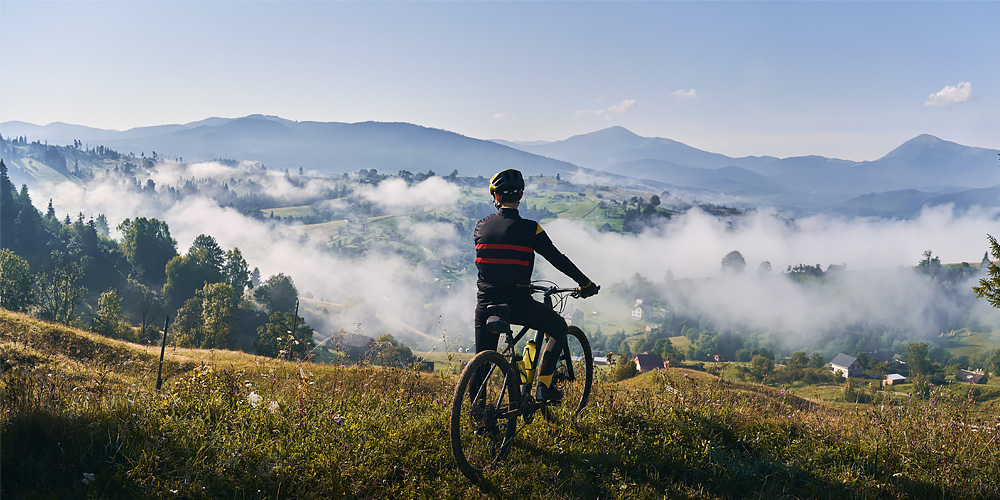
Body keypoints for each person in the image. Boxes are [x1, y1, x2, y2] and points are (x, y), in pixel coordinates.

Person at [474, 168, 599, 402]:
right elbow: (558, 259)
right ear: (520, 196)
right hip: (517, 305)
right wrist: (586, 283)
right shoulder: (532, 229)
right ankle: (544, 388)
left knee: (481, 363)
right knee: (559, 327)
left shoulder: (481, 226)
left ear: (496, 197)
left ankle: (477, 415)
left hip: (486, 305)